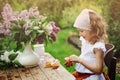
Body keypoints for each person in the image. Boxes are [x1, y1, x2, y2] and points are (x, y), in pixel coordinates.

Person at [65, 9, 110, 80]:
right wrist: (74, 60)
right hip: (82, 75)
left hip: (92, 77)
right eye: (79, 31)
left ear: (93, 30)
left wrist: (79, 60)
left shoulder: (98, 47)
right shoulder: (86, 41)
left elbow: (99, 70)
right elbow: (86, 57)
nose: (80, 34)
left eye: (82, 31)